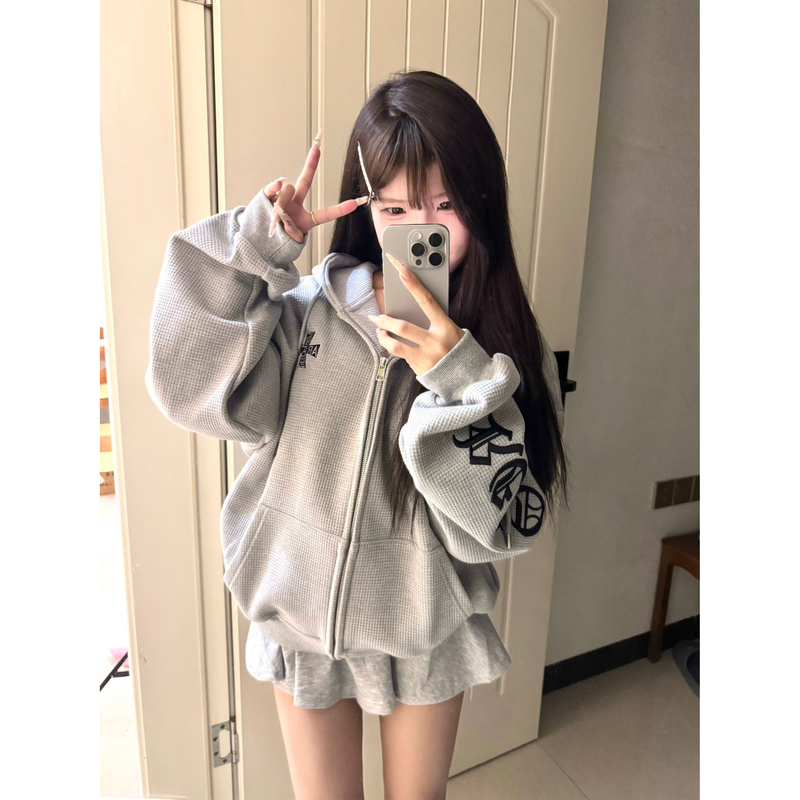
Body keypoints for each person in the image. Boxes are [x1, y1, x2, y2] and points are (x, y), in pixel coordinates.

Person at [146, 69, 569, 800]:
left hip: (426, 625)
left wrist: (460, 380)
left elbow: (507, 523)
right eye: (395, 206)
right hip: (302, 618)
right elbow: (188, 380)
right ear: (365, 205)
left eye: (445, 205)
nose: (421, 229)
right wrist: (254, 251)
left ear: (481, 202)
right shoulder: (306, 309)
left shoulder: (499, 346)